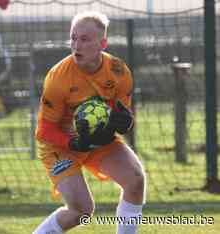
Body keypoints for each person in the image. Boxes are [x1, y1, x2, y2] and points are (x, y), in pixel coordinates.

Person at [33, 11, 146, 234]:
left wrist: (124, 122)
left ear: (102, 43)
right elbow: (44, 130)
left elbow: (122, 114)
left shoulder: (118, 71)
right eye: (73, 38)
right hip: (60, 147)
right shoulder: (58, 77)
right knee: (81, 211)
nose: (77, 45)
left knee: (135, 181)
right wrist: (73, 143)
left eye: (85, 39)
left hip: (98, 142)